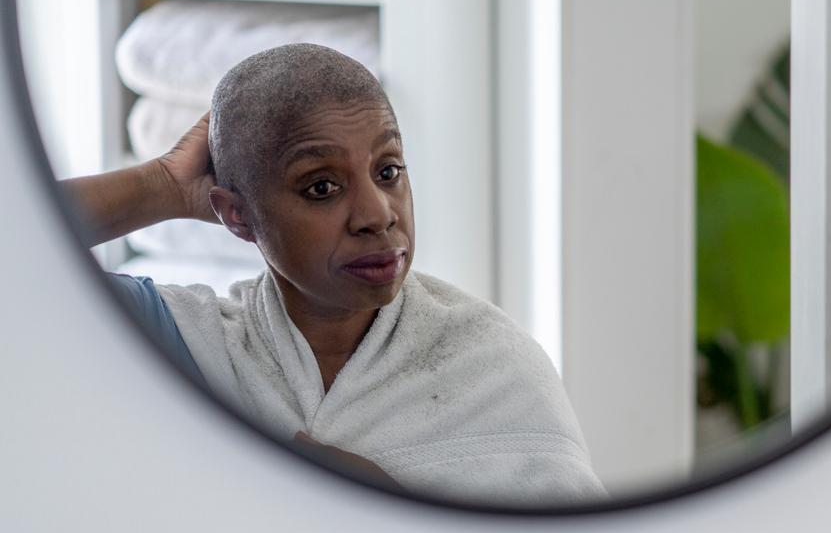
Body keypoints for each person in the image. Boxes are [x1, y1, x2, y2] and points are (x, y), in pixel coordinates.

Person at [61, 43, 606, 506]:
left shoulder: (495, 371)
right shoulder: (185, 349)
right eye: (321, 186)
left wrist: (396, 516)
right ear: (237, 215)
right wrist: (161, 186)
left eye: (388, 171)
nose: (378, 215)